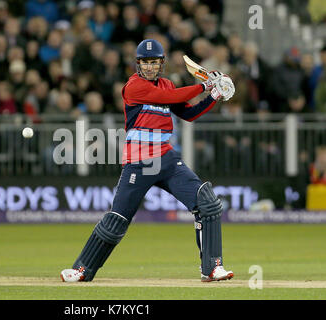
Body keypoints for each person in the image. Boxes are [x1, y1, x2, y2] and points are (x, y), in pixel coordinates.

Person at [61, 39, 235, 282]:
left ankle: (212, 267)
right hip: (139, 161)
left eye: (154, 62)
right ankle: (82, 270)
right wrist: (206, 85)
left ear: (161, 63)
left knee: (206, 203)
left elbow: (189, 114)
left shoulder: (167, 85)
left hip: (166, 158)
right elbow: (167, 96)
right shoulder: (133, 87)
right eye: (145, 62)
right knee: (117, 220)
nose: (150, 66)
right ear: (138, 64)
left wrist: (214, 95)